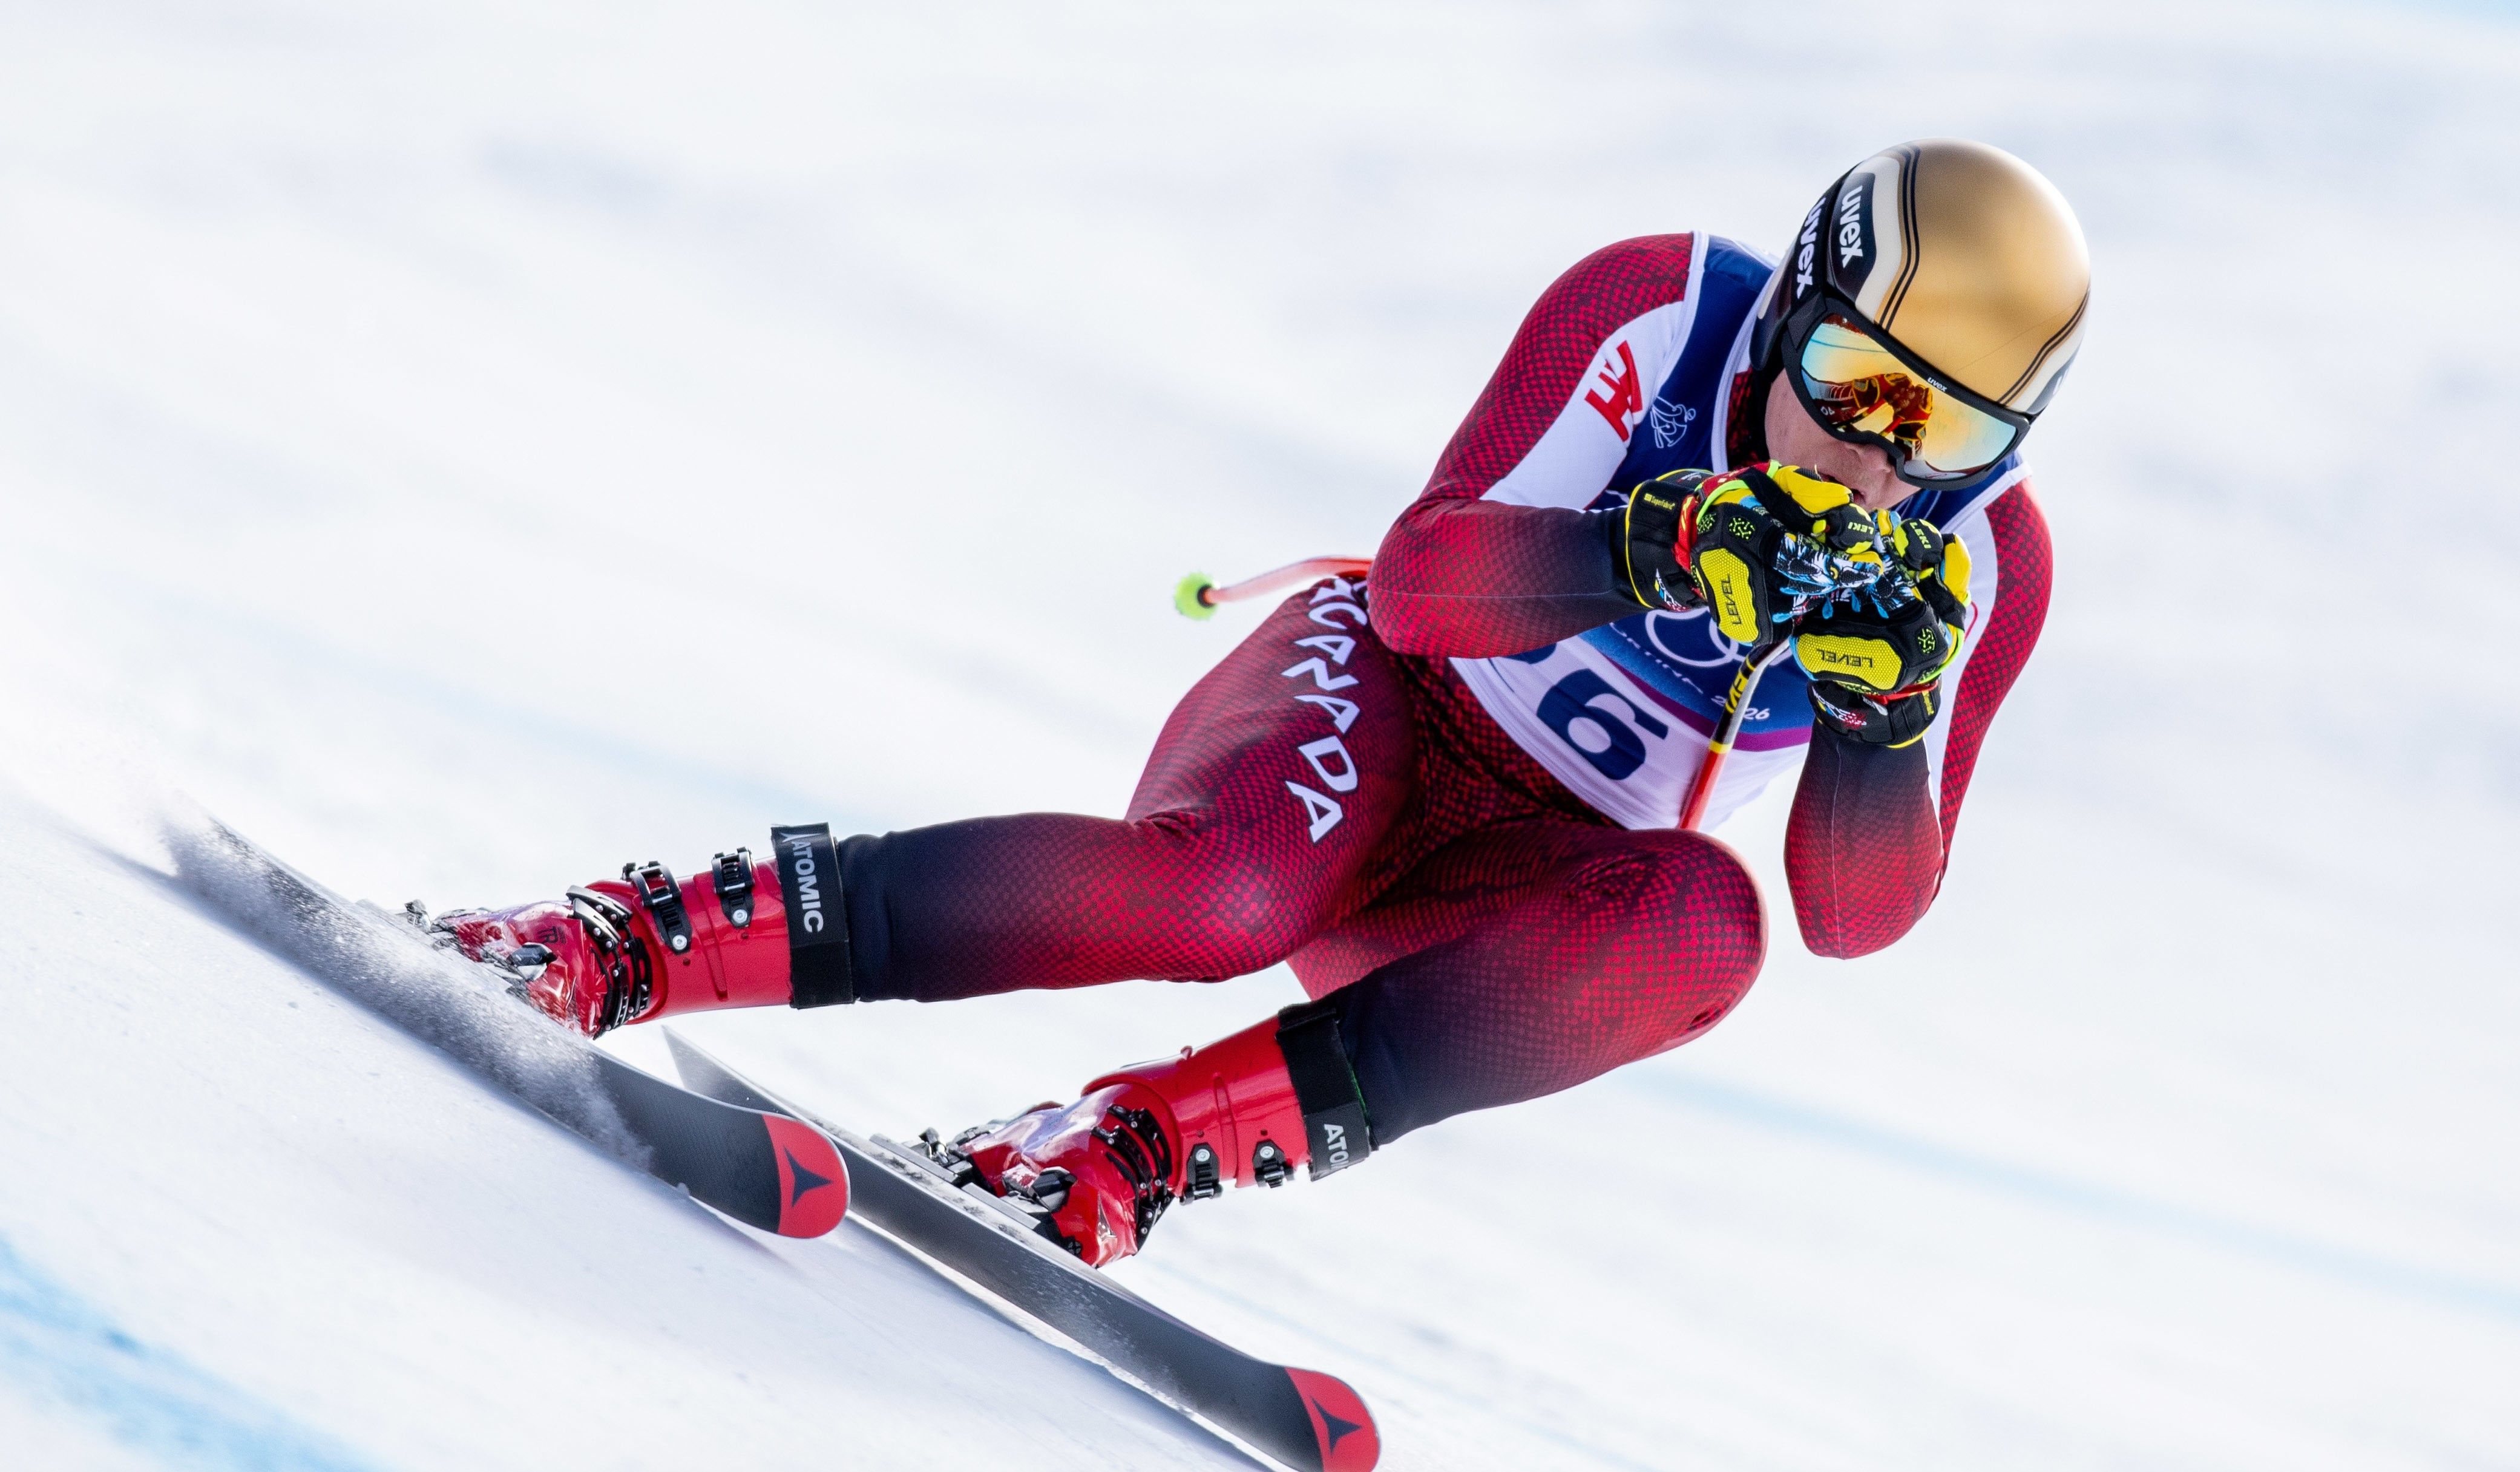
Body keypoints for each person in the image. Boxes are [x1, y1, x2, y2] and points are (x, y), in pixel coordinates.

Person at [438, 138, 2087, 1266]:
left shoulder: (1981, 561)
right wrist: (1644, 545)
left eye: (1942, 435)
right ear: (1791, 312)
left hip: (1502, 883)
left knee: (1702, 931)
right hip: (1381, 705)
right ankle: (627, 936)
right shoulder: (1663, 313)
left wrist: (1883, 724)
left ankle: (1123, 1143)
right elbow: (1426, 580)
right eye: (1850, 385)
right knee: (1225, 894)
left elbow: (1853, 919)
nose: (1874, 462)